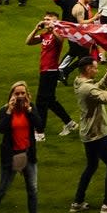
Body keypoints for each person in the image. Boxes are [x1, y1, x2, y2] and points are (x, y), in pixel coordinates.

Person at [0, 81, 47, 213]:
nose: (20, 96)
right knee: (2, 189)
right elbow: (2, 129)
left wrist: (30, 110)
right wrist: (10, 111)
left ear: (27, 94)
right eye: (17, 93)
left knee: (32, 190)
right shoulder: (4, 110)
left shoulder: (31, 108)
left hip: (28, 155)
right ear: (11, 95)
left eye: (23, 93)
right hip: (11, 157)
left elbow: (40, 126)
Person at [70, 56, 107, 213]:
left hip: (87, 133)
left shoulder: (80, 82)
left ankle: (78, 202)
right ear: (87, 69)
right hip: (97, 133)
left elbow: (96, 90)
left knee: (91, 166)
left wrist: (106, 77)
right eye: (94, 67)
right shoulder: (86, 88)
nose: (97, 69)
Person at [24, 13, 77, 141]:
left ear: (55, 21)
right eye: (45, 19)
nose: (45, 21)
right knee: (51, 101)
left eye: (48, 19)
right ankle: (70, 123)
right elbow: (28, 42)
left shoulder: (57, 33)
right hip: (45, 70)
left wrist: (53, 28)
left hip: (51, 71)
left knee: (41, 102)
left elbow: (60, 41)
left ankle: (40, 132)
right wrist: (36, 28)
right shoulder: (44, 35)